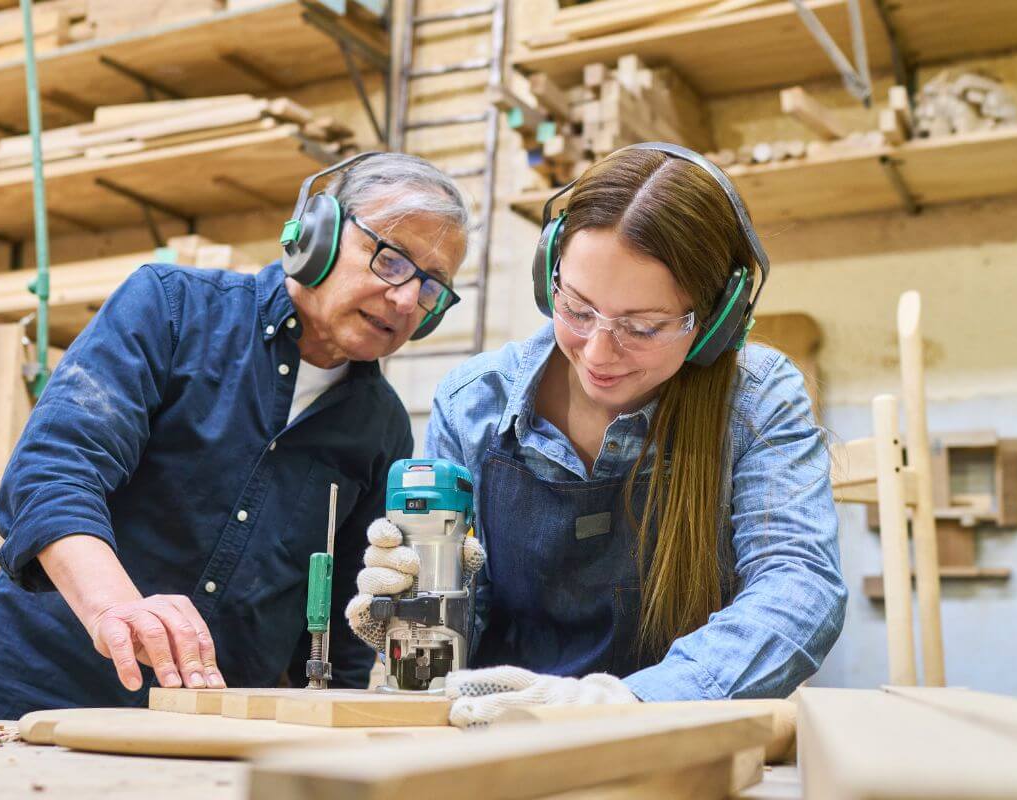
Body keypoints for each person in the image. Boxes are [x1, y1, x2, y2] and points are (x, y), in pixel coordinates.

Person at [0, 152, 470, 719]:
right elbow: (51, 475)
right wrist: (115, 607)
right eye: (392, 260)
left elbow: (343, 620)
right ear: (319, 235)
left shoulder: (380, 425)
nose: (407, 299)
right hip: (25, 699)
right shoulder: (172, 307)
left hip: (199, 734)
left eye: (433, 287)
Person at [347, 144, 847, 726]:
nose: (599, 352)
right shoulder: (473, 404)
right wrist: (412, 613)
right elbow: (466, 626)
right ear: (548, 277)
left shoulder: (756, 399)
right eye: (578, 310)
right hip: (502, 734)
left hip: (675, 736)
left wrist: (627, 702)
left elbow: (799, 583)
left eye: (644, 327)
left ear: (716, 321)